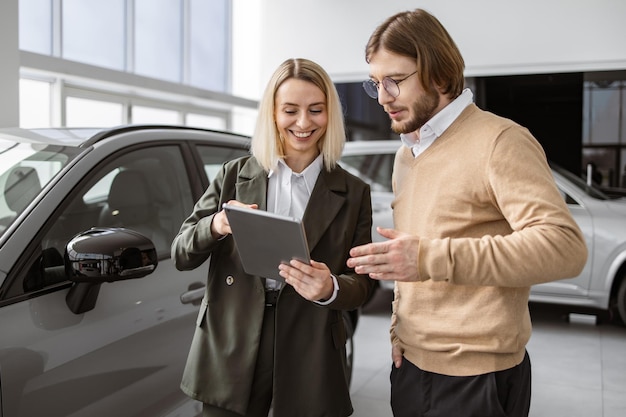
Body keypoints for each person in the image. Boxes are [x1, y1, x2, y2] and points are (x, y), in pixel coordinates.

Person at [346, 9, 588, 417]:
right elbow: (411, 260)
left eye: (395, 81)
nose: (383, 97)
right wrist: (398, 331)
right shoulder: (407, 154)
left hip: (476, 380)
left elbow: (564, 247)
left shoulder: (500, 141)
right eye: (375, 84)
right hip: (410, 366)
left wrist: (428, 258)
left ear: (439, 75)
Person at [172, 58, 376, 417]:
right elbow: (181, 253)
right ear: (272, 114)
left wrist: (330, 288)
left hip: (308, 340)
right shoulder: (234, 175)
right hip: (232, 336)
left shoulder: (353, 192)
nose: (303, 123)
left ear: (330, 115)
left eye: (316, 110)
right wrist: (217, 225)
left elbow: (361, 285)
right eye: (290, 110)